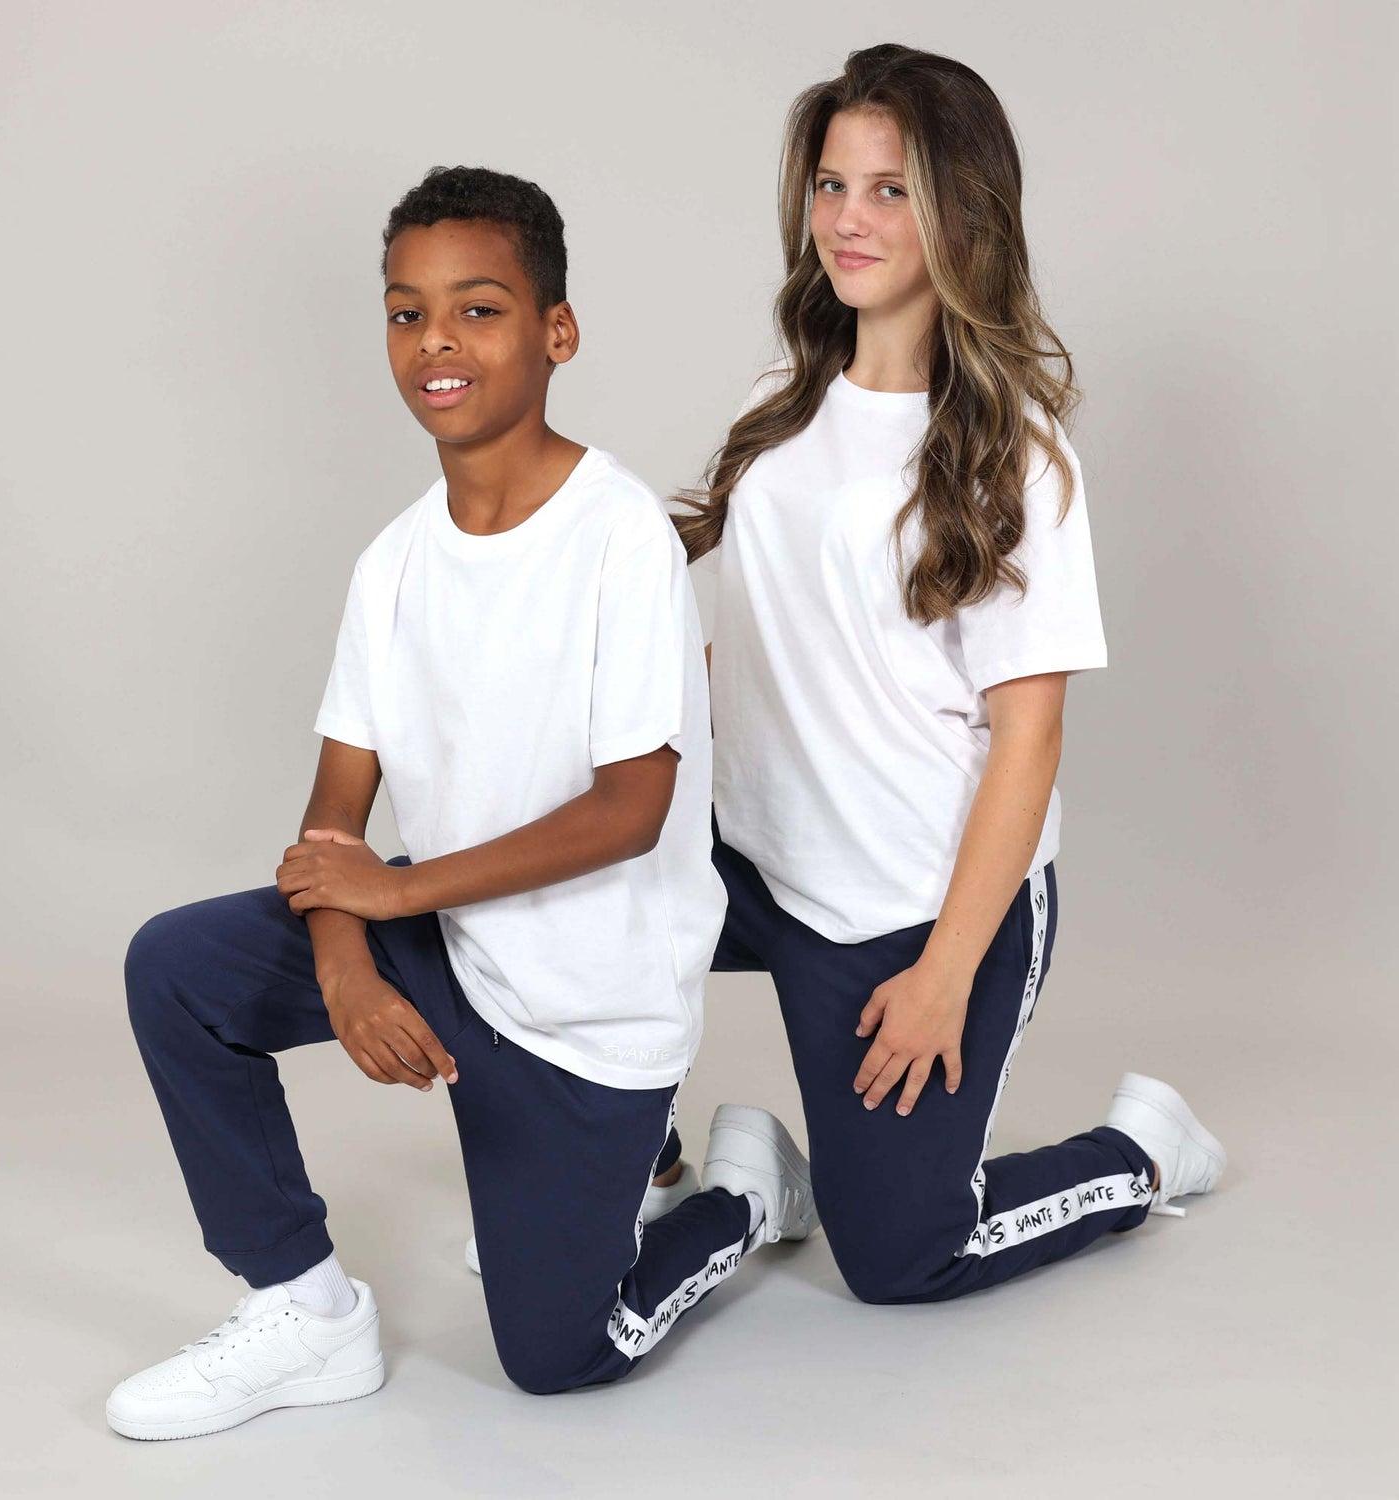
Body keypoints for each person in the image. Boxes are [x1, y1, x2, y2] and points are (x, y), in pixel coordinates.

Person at [106, 164, 816, 1440]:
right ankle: (308, 1311)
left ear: (556, 333)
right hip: (446, 957)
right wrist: (346, 965)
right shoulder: (393, 565)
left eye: (478, 310)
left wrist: (395, 894)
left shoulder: (619, 541)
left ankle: (742, 1196)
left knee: (558, 1354)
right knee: (178, 968)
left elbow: (632, 810)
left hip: (587, 1013)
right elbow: (335, 815)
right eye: (405, 311)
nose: (436, 341)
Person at [672, 43, 1227, 1304]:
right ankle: (633, 1177)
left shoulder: (1011, 458)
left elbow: (1029, 740)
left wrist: (944, 976)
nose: (847, 221)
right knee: (541, 905)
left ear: (959, 211)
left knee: (901, 1257)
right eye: (831, 184)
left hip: (911, 903)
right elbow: (755, 643)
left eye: (890, 190)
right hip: (756, 857)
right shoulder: (782, 400)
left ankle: (1142, 1150)